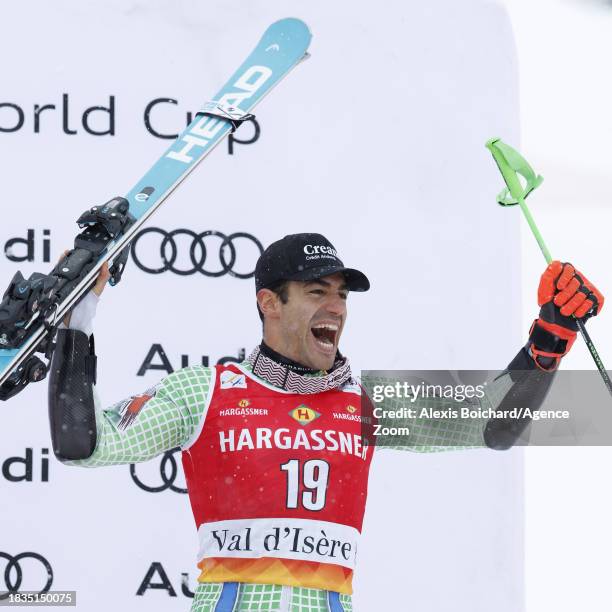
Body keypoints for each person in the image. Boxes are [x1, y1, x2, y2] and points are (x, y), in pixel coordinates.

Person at [49, 233, 604, 611]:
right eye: (317, 293)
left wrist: (550, 335)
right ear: (269, 302)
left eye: (341, 296)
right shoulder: (207, 390)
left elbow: (494, 424)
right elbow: (84, 442)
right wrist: (80, 316)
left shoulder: (365, 402)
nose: (335, 308)